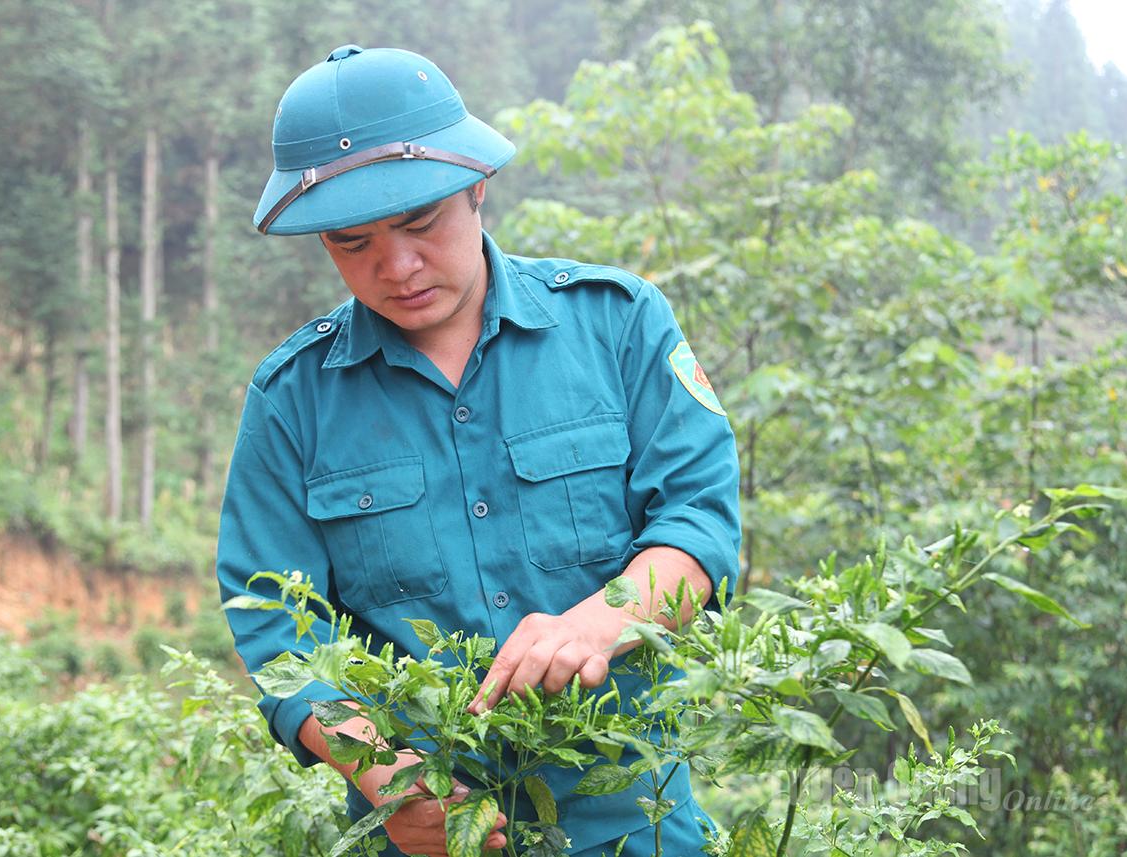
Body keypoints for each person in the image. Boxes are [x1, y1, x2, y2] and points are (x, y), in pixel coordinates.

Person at [217, 44, 741, 857]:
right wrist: (381, 770)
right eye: (352, 243)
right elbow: (275, 624)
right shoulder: (294, 399)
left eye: (419, 223)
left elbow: (699, 522)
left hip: (634, 827)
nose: (396, 266)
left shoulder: (618, 323)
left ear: (475, 186)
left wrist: (605, 619)